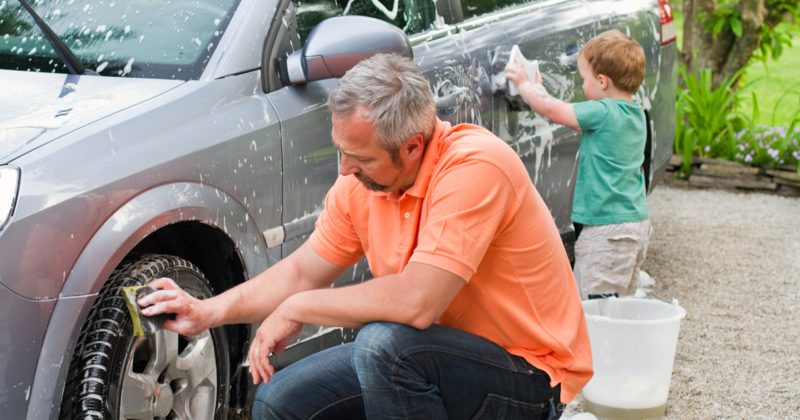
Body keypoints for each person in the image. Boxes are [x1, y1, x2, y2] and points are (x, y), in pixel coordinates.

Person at [139, 53, 592, 419]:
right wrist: (206, 313)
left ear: (414, 146)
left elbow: (418, 302)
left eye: (361, 158)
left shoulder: (476, 167)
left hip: (530, 376)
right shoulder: (362, 184)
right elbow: (302, 270)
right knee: (281, 401)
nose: (344, 170)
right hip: (434, 357)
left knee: (384, 348)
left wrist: (299, 308)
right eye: (341, 152)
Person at [505, 29, 652, 301]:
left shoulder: (603, 112)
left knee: (593, 311)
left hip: (606, 231)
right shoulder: (635, 115)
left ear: (602, 81)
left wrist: (525, 86)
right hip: (635, 226)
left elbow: (554, 111)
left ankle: (597, 346)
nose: (582, 86)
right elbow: (563, 111)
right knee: (620, 308)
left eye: (584, 79)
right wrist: (542, 92)